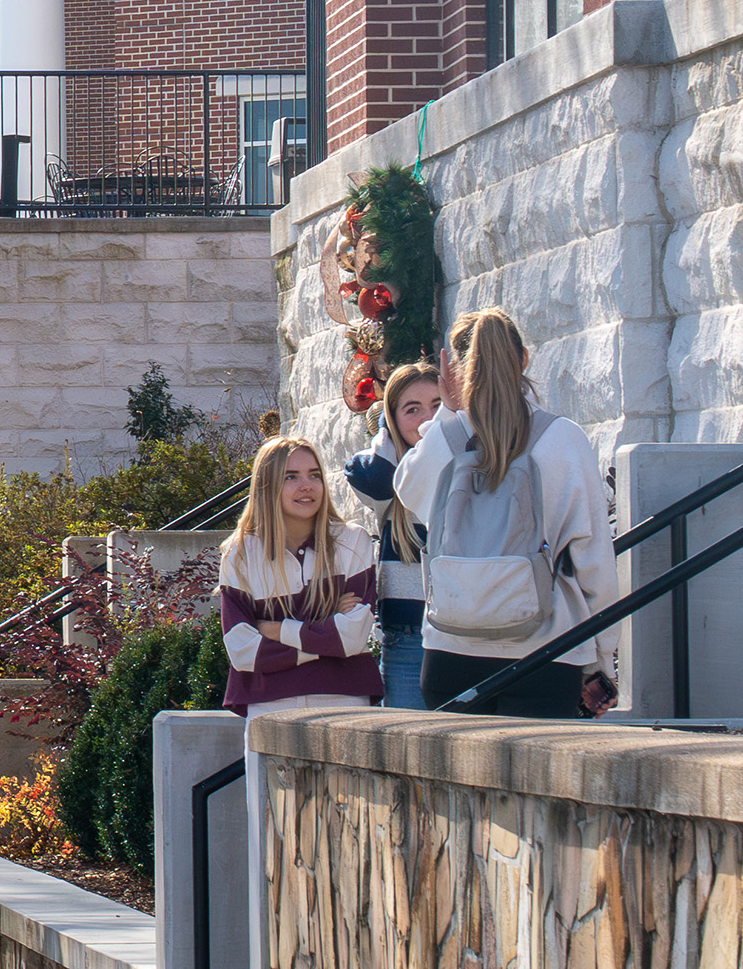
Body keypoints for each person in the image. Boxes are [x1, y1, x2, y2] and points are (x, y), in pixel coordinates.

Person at [396, 307, 621, 717]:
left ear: (457, 373)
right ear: (524, 359)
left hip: (450, 647)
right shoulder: (563, 440)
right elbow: (594, 562)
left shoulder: (444, 439)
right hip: (547, 648)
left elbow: (408, 494)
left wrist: (448, 411)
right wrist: (600, 657)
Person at [218, 435, 385, 719]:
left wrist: (274, 629)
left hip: (345, 700)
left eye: (314, 475)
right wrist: (326, 635)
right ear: (266, 486)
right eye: (291, 477)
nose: (307, 485)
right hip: (268, 704)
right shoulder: (240, 553)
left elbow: (352, 639)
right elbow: (243, 650)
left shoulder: (352, 541)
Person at [344, 363, 444, 709]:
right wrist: (389, 435)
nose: (427, 417)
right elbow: (367, 475)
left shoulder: (463, 466)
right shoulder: (388, 482)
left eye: (437, 405)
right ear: (392, 419)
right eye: (411, 409)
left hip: (461, 635)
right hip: (407, 639)